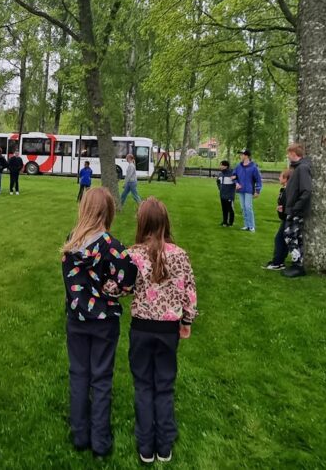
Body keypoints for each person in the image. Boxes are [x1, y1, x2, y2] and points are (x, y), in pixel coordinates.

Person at [62, 187, 138, 458]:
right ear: (108, 212)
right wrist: (113, 288)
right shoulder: (112, 247)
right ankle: (100, 440)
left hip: (77, 320)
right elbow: (129, 279)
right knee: (101, 377)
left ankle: (81, 435)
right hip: (104, 323)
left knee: (79, 374)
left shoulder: (70, 243)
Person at [125, 198, 197, 464]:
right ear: (165, 222)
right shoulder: (179, 255)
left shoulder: (133, 255)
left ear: (142, 222)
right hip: (168, 330)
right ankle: (163, 445)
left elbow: (121, 287)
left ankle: (146, 446)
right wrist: (186, 321)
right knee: (164, 386)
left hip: (142, 328)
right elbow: (189, 292)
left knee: (144, 385)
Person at [281, 143, 313, 278]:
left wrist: (296, 207)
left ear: (294, 153)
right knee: (296, 236)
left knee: (289, 235)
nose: (288, 156)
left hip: (296, 210)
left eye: (289, 153)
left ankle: (298, 265)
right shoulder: (297, 168)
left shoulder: (303, 168)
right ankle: (298, 263)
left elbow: (306, 190)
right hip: (292, 209)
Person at [263, 169, 293, 270]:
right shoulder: (284, 190)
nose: (279, 178)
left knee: (279, 239)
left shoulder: (289, 191)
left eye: (281, 176)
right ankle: (279, 261)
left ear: (286, 179)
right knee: (282, 239)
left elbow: (290, 205)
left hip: (288, 218)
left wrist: (282, 209)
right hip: (285, 218)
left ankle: (277, 262)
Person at [231, 149, 263, 232]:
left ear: (246, 156)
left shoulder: (253, 167)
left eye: (241, 154)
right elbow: (234, 176)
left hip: (249, 190)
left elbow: (258, 180)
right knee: (243, 208)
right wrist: (236, 183)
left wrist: (257, 191)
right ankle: (246, 225)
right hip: (240, 190)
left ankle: (252, 226)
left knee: (248, 207)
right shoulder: (238, 166)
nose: (240, 156)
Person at [216, 160, 236, 227]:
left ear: (226, 166)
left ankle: (231, 223)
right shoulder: (220, 174)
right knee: (224, 209)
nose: (220, 166)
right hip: (222, 195)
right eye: (220, 165)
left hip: (230, 195)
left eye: (221, 165)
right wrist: (220, 188)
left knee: (230, 209)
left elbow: (236, 182)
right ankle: (224, 222)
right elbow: (218, 181)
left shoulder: (232, 173)